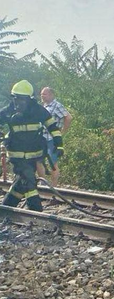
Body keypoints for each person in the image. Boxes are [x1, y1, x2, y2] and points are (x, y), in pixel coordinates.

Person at [0, 81, 63, 212]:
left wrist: (59, 145)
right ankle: (37, 213)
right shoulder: (8, 111)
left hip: (34, 156)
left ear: (29, 99)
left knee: (21, 185)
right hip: (17, 157)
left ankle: (5, 210)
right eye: (16, 98)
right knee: (29, 182)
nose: (18, 102)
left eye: (22, 99)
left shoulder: (38, 110)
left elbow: (53, 127)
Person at [36, 87, 72, 187]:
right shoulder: (44, 106)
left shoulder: (57, 105)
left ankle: (54, 187)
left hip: (52, 139)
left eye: (45, 94)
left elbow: (68, 117)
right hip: (42, 138)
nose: (42, 96)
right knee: (39, 160)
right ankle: (43, 184)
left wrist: (62, 131)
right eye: (41, 94)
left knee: (53, 162)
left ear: (51, 95)